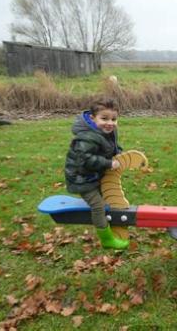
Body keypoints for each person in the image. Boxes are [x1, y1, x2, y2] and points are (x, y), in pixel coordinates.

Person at [64, 98, 128, 249]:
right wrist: (108, 163)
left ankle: (111, 227)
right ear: (92, 118)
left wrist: (118, 153)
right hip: (81, 179)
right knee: (98, 206)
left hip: (93, 175)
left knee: (107, 198)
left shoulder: (103, 130)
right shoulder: (87, 136)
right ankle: (106, 239)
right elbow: (84, 159)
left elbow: (110, 146)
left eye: (114, 119)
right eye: (104, 118)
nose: (110, 123)